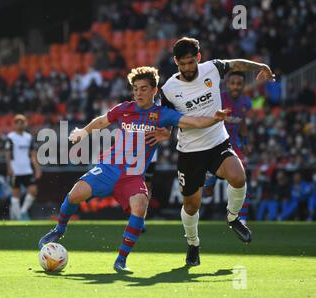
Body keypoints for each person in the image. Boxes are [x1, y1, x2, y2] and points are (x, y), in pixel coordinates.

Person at [38, 66, 229, 273]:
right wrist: (83, 132)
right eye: (135, 89)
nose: (138, 93)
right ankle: (59, 229)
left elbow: (192, 121)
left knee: (140, 206)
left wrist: (214, 118)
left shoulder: (162, 114)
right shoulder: (124, 108)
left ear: (154, 90)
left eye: (143, 89)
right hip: (109, 167)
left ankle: (121, 260)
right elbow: (101, 121)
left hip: (132, 176)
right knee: (75, 194)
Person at [159, 37, 274, 266]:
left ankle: (233, 217)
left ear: (198, 58)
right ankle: (193, 244)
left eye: (191, 62)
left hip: (218, 142)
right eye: (183, 64)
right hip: (190, 152)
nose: (188, 68)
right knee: (192, 205)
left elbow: (236, 64)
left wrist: (260, 67)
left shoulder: (212, 68)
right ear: (175, 62)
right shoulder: (169, 89)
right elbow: (168, 119)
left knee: (238, 177)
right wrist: (165, 132)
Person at [202, 71, 252, 224]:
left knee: (242, 178)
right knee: (208, 192)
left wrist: (245, 142)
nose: (236, 86)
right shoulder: (219, 99)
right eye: (233, 83)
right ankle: (209, 181)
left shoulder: (246, 102)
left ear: (243, 85)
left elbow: (242, 123)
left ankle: (240, 218)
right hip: (216, 143)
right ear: (228, 84)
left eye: (239, 83)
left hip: (234, 145)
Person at [5, 114, 42, 221]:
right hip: (16, 169)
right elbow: (7, 153)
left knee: (33, 190)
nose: (21, 124)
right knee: (15, 194)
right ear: (14, 124)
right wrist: (9, 167)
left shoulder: (28, 137)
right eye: (18, 122)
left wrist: (37, 168)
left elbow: (33, 154)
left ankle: (23, 211)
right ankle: (16, 217)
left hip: (27, 169)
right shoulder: (11, 137)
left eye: (23, 122)